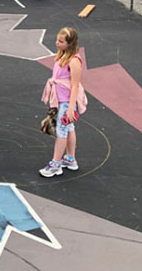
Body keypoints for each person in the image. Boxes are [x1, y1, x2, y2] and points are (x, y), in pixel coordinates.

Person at [39, 27, 87, 177]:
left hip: (66, 102)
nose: (57, 43)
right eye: (57, 40)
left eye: (61, 41)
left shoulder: (74, 62)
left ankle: (55, 164)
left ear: (70, 43)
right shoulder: (63, 55)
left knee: (61, 131)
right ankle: (70, 159)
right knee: (69, 128)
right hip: (61, 99)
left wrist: (70, 108)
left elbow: (74, 86)